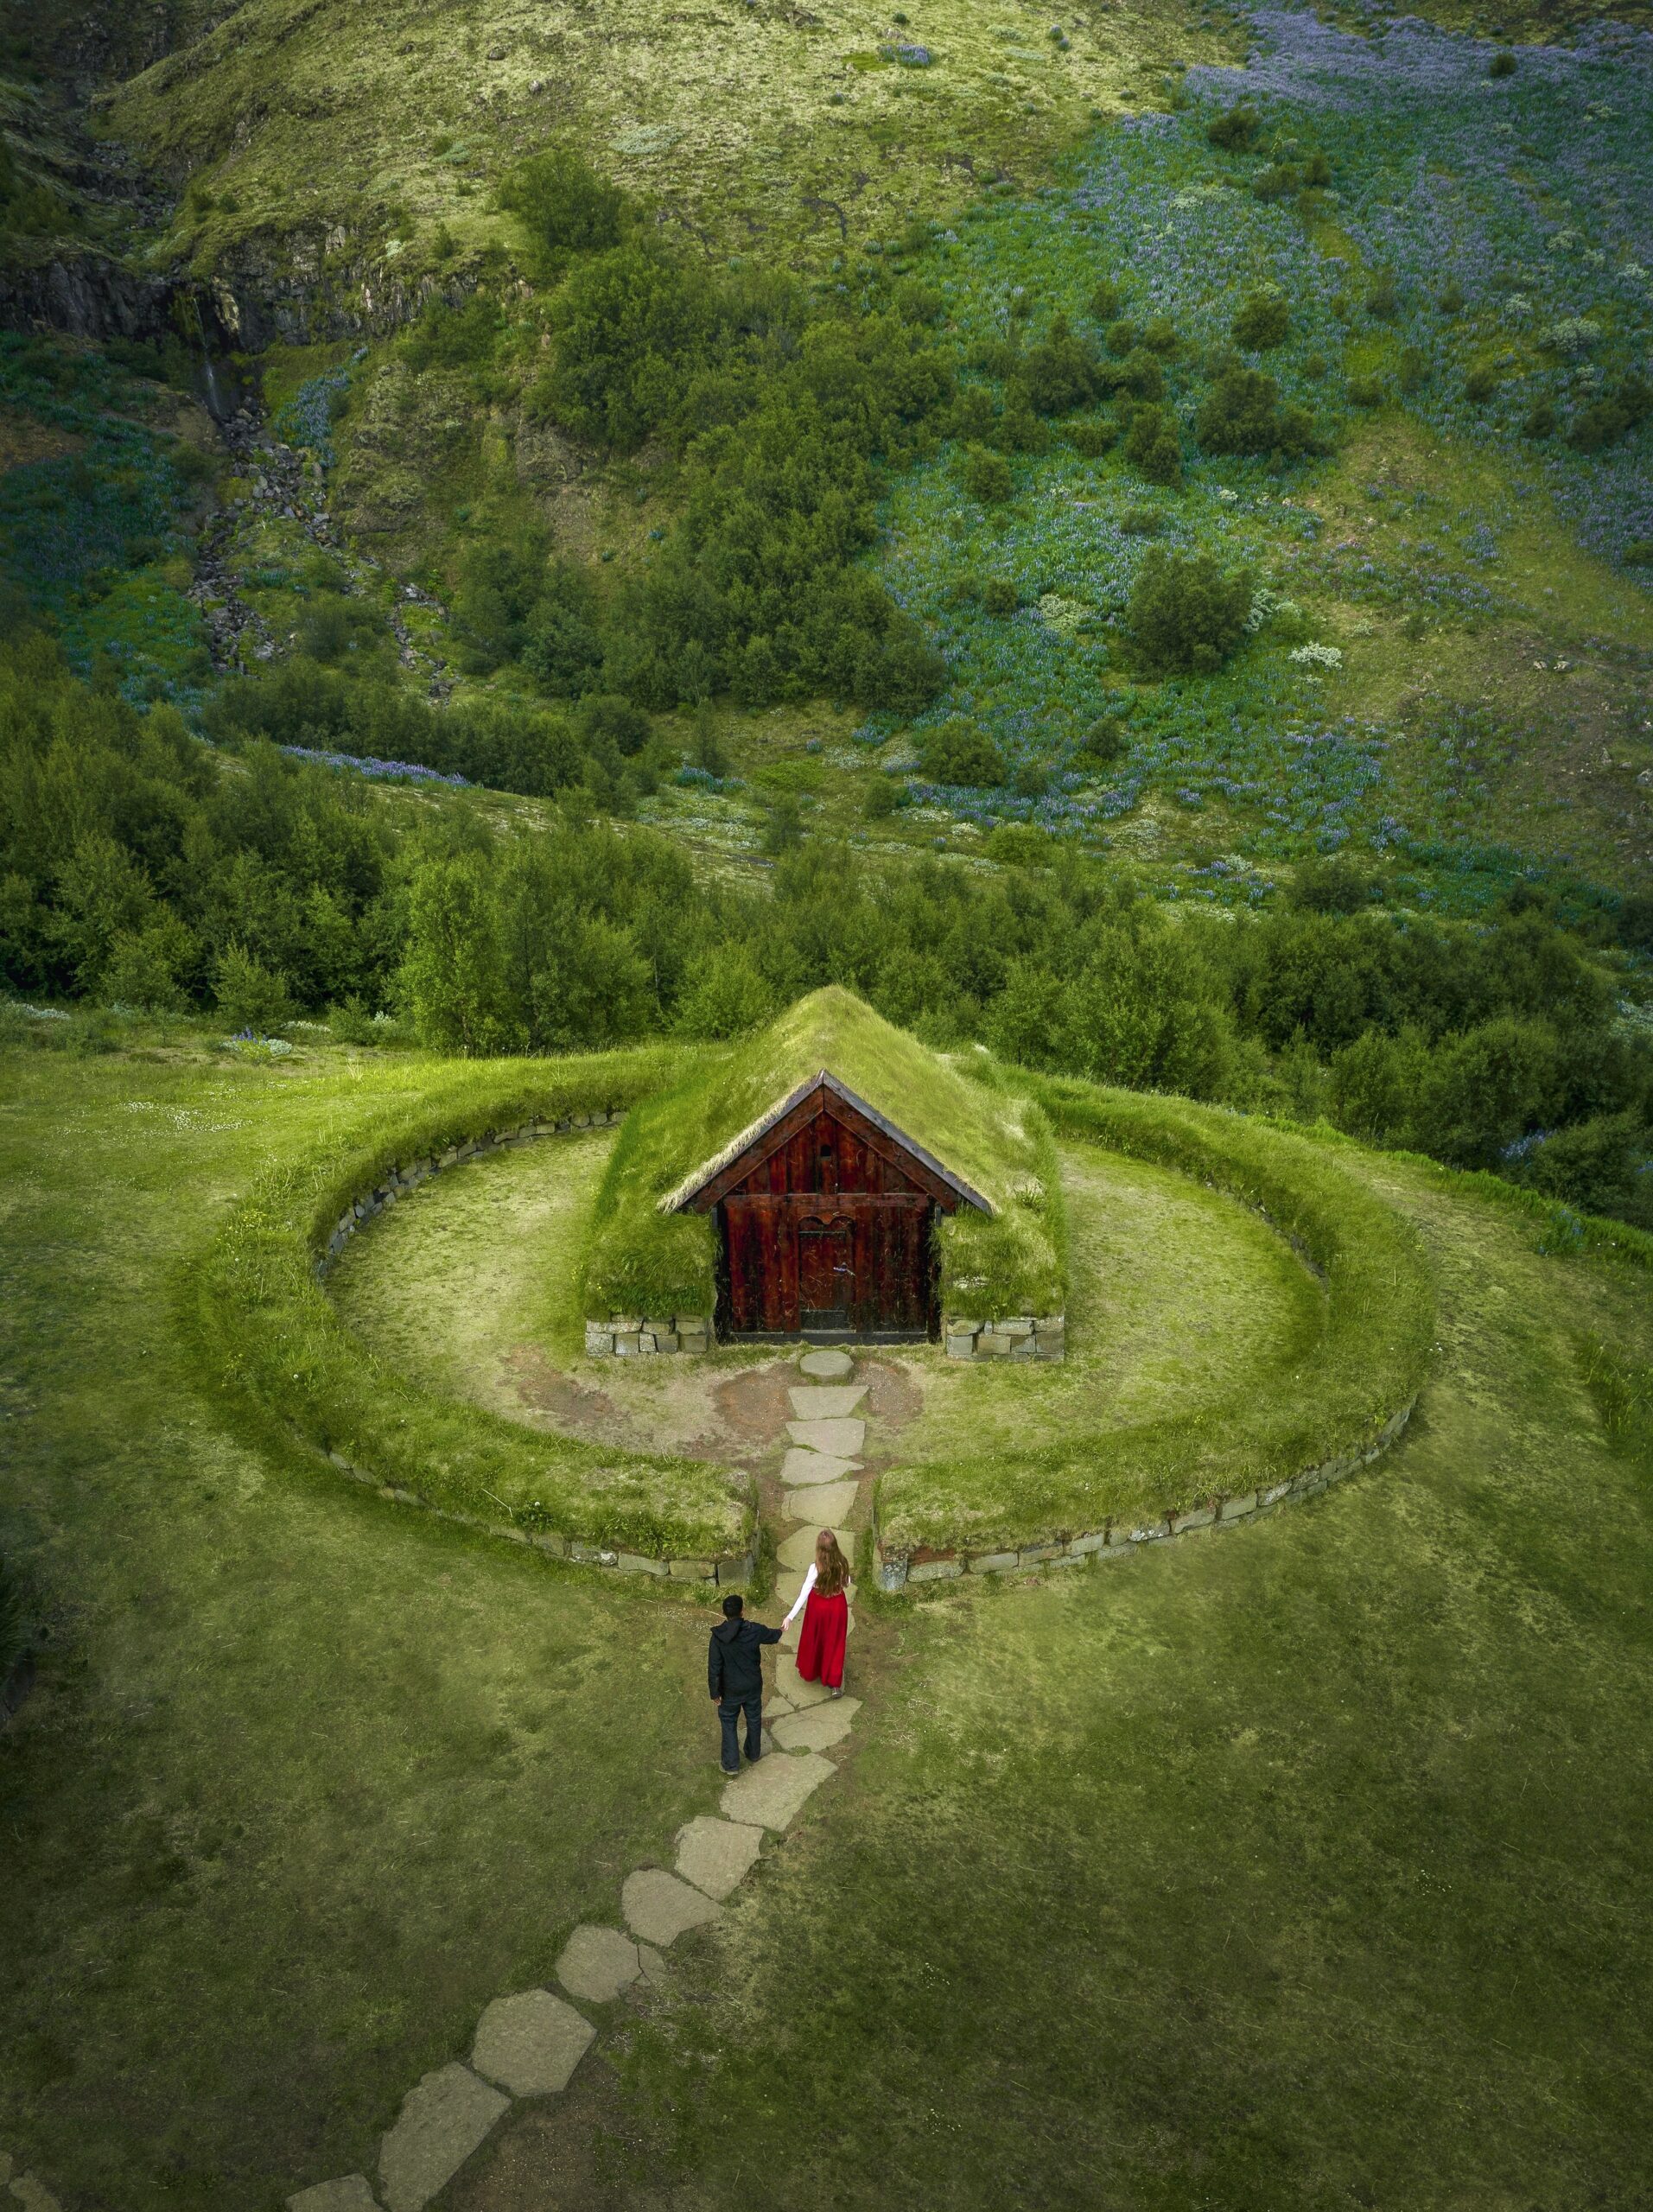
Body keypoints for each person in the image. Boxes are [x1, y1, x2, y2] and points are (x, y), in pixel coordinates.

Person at [708, 1592, 782, 1777]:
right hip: (752, 1686)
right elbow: (773, 1636)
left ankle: (731, 1765)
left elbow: (714, 1668)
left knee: (728, 1723)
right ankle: (753, 1753)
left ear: (724, 1613)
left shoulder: (718, 1637)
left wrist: (715, 1693)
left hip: (729, 1690)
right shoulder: (754, 1630)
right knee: (754, 1718)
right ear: (743, 1611)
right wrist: (782, 1628)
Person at [783, 1529, 851, 1697]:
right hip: (837, 1607)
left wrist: (790, 1616)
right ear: (835, 1546)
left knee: (815, 1637)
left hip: (818, 1608)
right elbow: (847, 1583)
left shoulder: (815, 1568)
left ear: (819, 1549)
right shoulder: (843, 1564)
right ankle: (834, 1683)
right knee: (834, 1642)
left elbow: (804, 1593)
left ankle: (814, 1669)